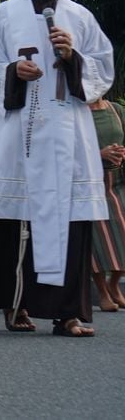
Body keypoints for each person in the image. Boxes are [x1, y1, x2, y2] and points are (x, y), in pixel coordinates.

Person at [0, 0, 114, 337]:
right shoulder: (3, 16)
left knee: (71, 223)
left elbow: (103, 70)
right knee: (18, 222)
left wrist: (74, 59)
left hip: (69, 133)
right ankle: (16, 305)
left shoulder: (80, 17)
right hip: (22, 133)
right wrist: (13, 71)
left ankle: (67, 312)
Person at [89, 97, 125, 311]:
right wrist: (99, 154)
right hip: (91, 182)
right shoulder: (78, 112)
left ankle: (114, 284)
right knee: (98, 241)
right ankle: (102, 292)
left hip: (117, 181)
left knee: (121, 235)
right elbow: (69, 150)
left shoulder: (116, 109)